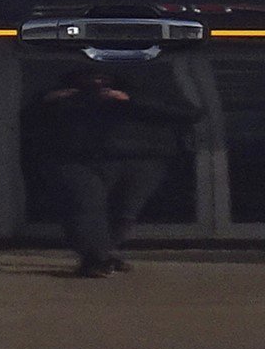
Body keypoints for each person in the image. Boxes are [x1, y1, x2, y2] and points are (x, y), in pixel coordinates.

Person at [22, 59, 199, 276]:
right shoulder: (58, 96)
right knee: (84, 207)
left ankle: (104, 253)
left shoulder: (145, 90)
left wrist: (130, 100)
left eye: (102, 78)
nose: (96, 83)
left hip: (140, 159)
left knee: (124, 212)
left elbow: (188, 113)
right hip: (76, 159)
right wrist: (48, 100)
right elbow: (26, 119)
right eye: (89, 77)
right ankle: (96, 258)